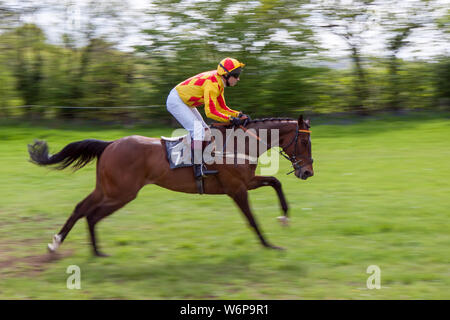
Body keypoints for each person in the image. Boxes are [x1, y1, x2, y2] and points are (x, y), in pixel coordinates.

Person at [166, 57, 249, 180]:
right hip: (176, 101)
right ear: (226, 75)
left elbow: (222, 108)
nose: (238, 78)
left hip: (185, 101)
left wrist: (238, 115)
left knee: (205, 130)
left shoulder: (219, 82)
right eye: (236, 75)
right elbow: (211, 112)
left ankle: (199, 159)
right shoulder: (213, 84)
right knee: (198, 131)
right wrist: (231, 119)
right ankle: (197, 168)